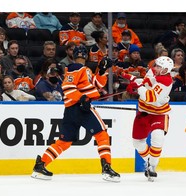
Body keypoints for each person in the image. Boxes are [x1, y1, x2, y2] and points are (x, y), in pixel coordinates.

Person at [31, 45, 120, 182]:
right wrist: (82, 98)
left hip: (71, 109)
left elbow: (96, 85)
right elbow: (67, 87)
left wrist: (102, 71)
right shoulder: (75, 67)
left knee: (64, 141)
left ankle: (41, 165)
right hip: (80, 108)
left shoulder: (87, 70)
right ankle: (106, 168)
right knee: (102, 135)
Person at [124, 56, 174, 181]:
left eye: (158, 66)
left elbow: (149, 97)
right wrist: (133, 80)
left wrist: (137, 87)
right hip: (143, 113)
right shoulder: (154, 71)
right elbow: (147, 81)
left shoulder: (166, 82)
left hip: (159, 114)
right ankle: (148, 162)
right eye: (156, 65)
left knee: (158, 137)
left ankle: (152, 167)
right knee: (137, 142)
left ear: (165, 70)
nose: (154, 67)